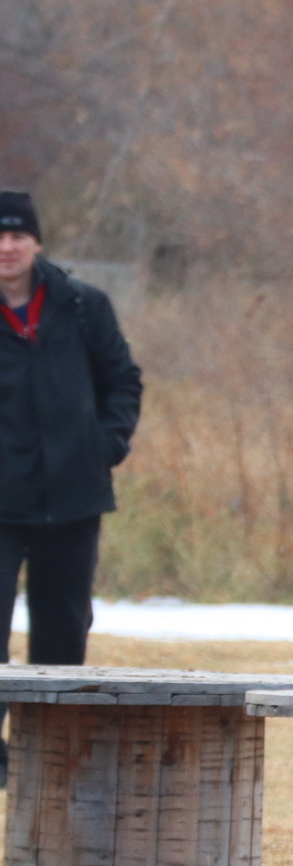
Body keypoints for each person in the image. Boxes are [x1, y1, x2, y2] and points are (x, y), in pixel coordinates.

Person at [0, 191, 145, 787]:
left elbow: (123, 382)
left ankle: (49, 756)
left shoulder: (83, 305)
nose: (7, 247)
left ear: (36, 241)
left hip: (73, 497)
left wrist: (103, 447)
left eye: (17, 235)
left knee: (62, 629)